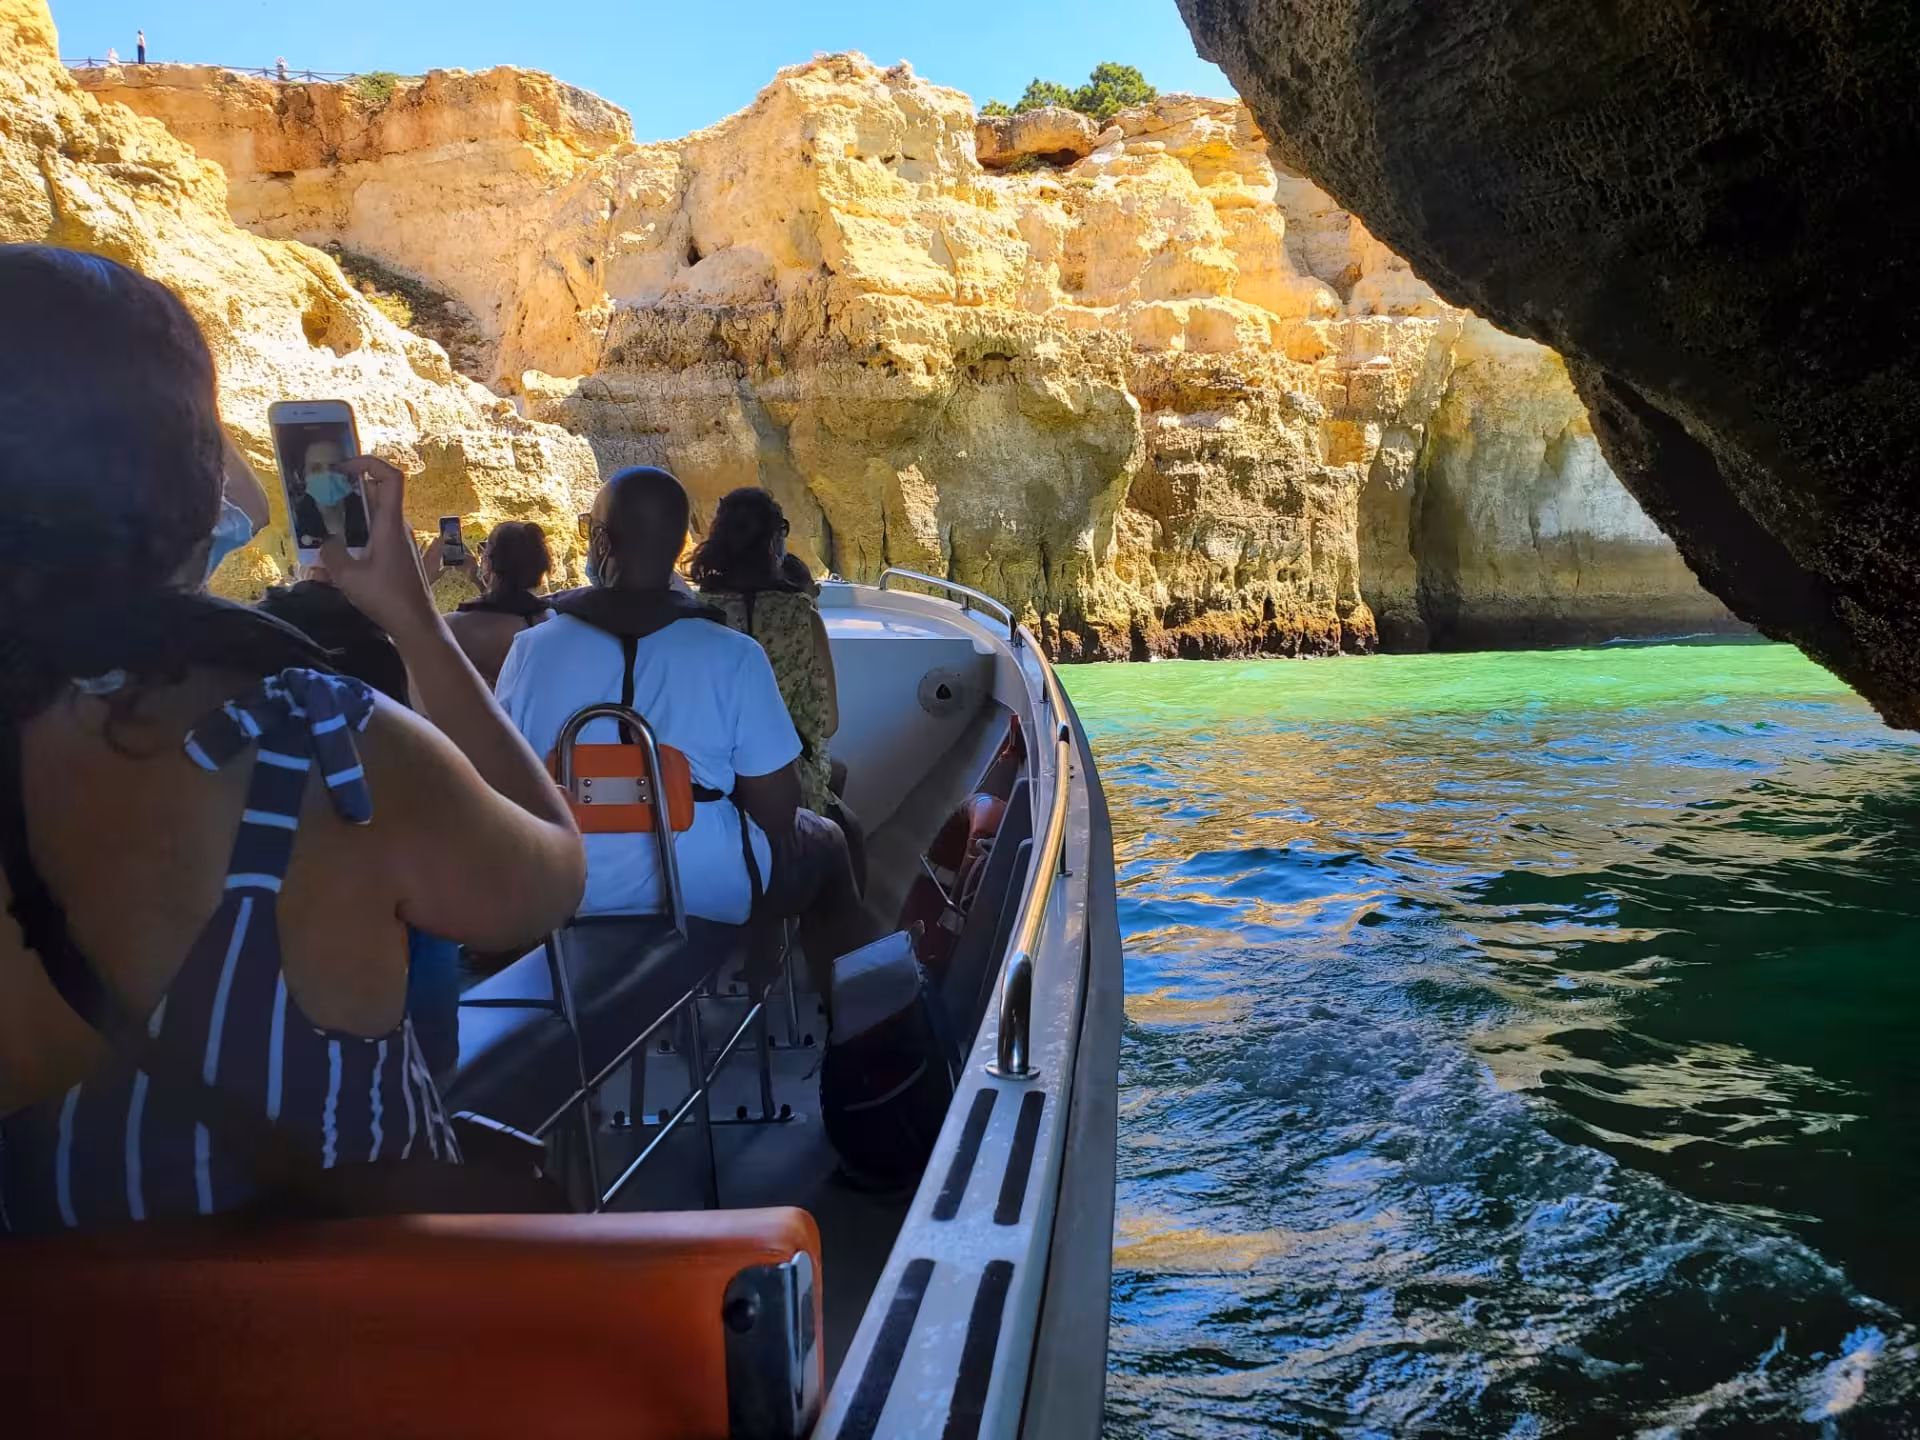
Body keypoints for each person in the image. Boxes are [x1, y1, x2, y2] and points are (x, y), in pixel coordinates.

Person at [0, 246, 585, 1233]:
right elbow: (549, 881)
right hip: (327, 1362)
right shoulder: (319, 746)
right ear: (185, 487)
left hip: (45, 1378)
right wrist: (414, 620)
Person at [495, 466, 869, 992]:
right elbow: (778, 811)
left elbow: (504, 785)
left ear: (601, 542)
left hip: (565, 884)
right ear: (678, 545)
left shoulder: (530, 651)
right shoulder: (733, 654)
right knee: (828, 841)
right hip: (703, 886)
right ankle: (846, 1025)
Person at [689, 489, 837, 814]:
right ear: (775, 544)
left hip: (708, 779)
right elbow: (827, 724)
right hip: (783, 782)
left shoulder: (692, 614)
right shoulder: (801, 616)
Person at [445, 520, 553, 688]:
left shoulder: (454, 626)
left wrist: (425, 571)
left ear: (490, 561)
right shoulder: (546, 619)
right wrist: (477, 579)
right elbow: (506, 602)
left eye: (485, 548)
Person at [290, 437, 370, 550]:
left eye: (334, 467)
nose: (327, 475)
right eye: (316, 468)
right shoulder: (294, 521)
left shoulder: (370, 511)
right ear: (302, 475)